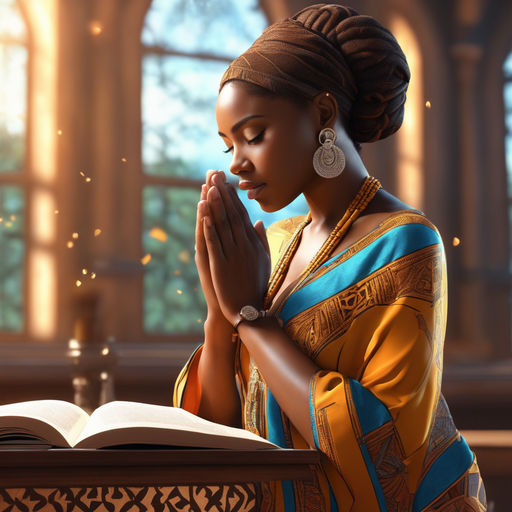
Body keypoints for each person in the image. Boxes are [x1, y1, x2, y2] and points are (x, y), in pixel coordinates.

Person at [173, 4, 487, 511]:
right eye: (229, 143)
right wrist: (218, 313)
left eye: (254, 135)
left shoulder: (405, 242)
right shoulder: (273, 242)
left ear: (321, 114)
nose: (237, 163)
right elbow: (215, 428)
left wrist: (250, 319)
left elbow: (381, 448)